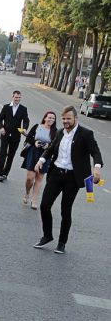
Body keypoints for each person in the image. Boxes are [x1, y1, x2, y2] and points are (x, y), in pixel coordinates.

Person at [33, 106, 103, 254]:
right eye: (63, 118)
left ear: (76, 119)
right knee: (45, 205)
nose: (65, 121)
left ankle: (62, 243)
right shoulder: (59, 133)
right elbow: (50, 149)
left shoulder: (85, 134)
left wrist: (97, 167)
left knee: (66, 210)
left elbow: (95, 151)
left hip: (73, 178)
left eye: (68, 119)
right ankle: (47, 235)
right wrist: (41, 160)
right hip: (56, 174)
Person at [21, 111, 58, 208]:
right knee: (30, 178)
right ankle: (27, 193)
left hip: (46, 155)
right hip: (33, 152)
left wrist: (48, 145)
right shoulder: (37, 126)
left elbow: (56, 145)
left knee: (39, 178)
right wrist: (35, 142)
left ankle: (34, 200)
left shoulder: (55, 131)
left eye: (53, 118)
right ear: (45, 118)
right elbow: (28, 138)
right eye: (49, 117)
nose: (51, 120)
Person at [0, 90, 30, 181]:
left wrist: (24, 128)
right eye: (16, 97)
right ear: (12, 97)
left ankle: (5, 174)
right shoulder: (6, 107)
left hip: (16, 136)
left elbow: (26, 120)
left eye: (19, 98)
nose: (17, 99)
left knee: (11, 155)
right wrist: (1, 128)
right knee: (3, 154)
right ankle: (0, 174)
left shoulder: (23, 109)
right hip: (5, 134)